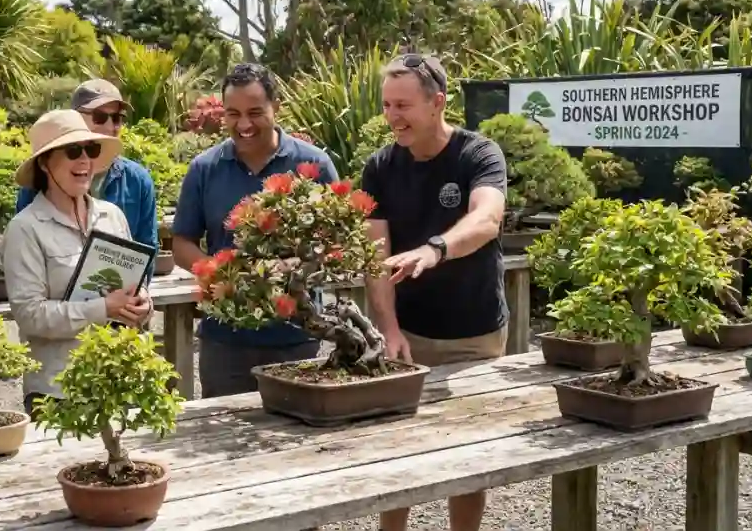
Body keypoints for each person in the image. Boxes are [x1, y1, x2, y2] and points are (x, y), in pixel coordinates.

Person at [360, 54, 508, 531]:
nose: (392, 116)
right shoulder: (380, 167)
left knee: (468, 454)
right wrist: (388, 328)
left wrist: (435, 249)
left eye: (402, 105)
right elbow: (374, 256)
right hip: (408, 333)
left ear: (437, 103)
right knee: (397, 448)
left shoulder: (478, 155)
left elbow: (487, 220)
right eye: (386, 105)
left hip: (474, 332)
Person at [171, 63, 339, 398]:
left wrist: (288, 271)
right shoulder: (204, 169)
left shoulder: (313, 165)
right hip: (225, 339)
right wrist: (222, 274)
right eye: (233, 113)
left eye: (255, 112)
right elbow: (181, 242)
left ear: (276, 107)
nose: (243, 124)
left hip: (296, 335)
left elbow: (334, 241)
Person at [4, 109, 153, 417]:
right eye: (73, 151)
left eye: (91, 149)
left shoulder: (112, 216)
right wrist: (103, 309)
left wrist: (142, 304)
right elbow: (29, 315)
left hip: (117, 379)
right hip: (58, 390)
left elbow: (133, 285)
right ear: (45, 163)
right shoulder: (25, 228)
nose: (85, 160)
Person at [15, 79, 158, 254]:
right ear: (75, 116)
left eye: (116, 118)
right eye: (99, 117)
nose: (109, 126)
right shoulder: (39, 184)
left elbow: (146, 251)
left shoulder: (138, 181)